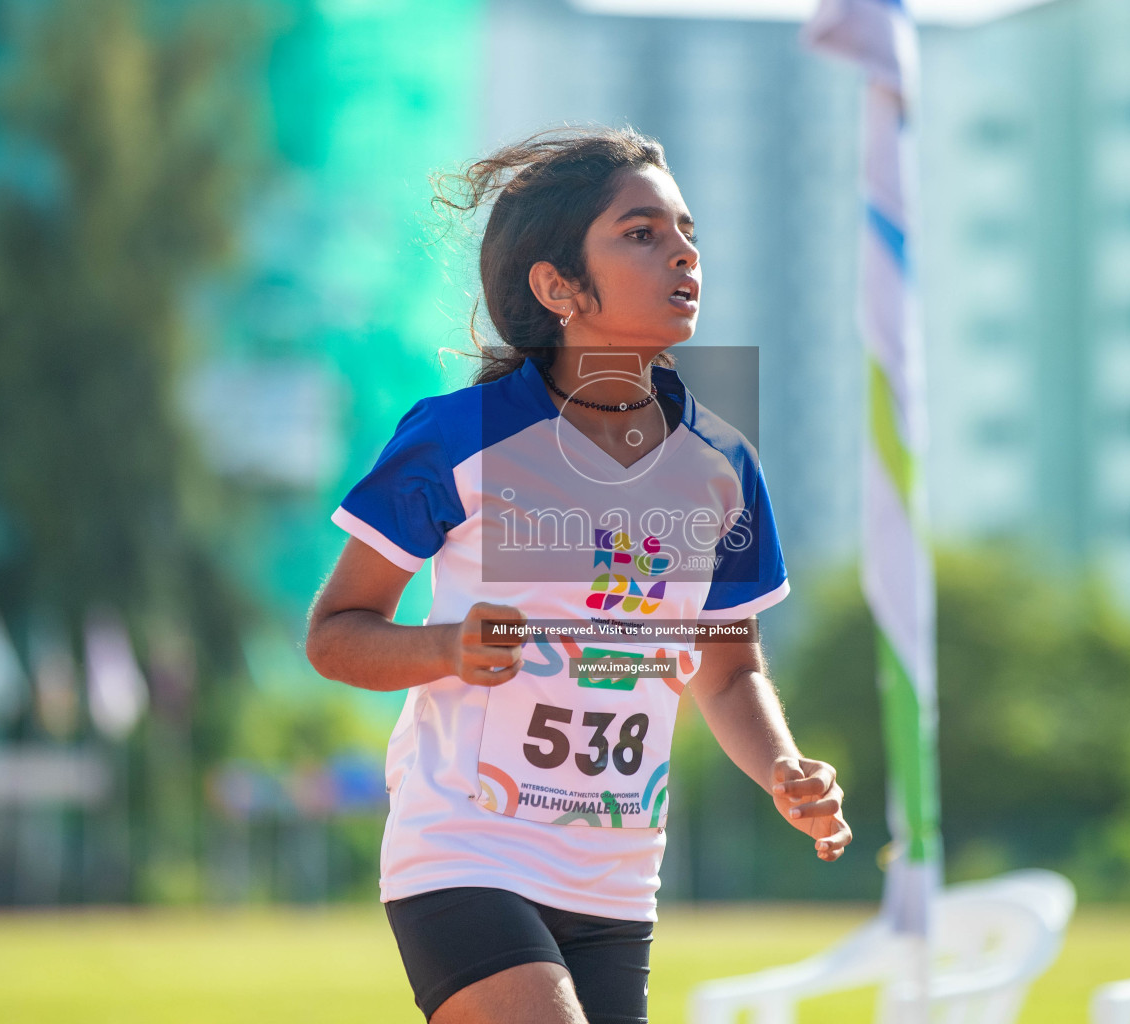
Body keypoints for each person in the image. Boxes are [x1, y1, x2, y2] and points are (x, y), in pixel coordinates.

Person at [306, 126, 852, 1024]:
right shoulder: (456, 438)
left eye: (685, 231)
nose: (682, 252)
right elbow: (336, 635)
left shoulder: (721, 462)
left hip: (615, 878)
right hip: (466, 849)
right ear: (558, 287)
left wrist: (786, 768)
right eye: (640, 233)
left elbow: (728, 668)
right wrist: (445, 646)